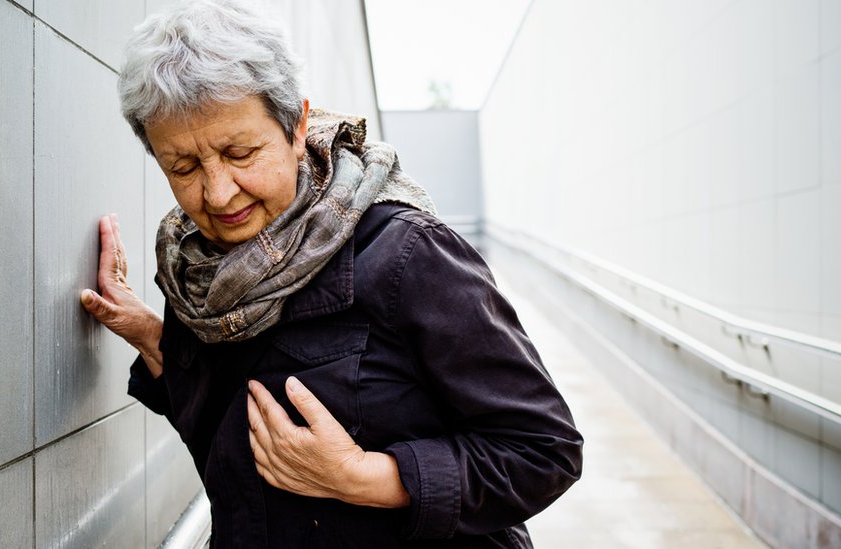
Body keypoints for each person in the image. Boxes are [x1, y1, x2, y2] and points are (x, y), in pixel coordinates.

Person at [80, 1, 583, 547]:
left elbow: (544, 449)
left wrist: (369, 478)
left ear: (297, 126)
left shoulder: (408, 254)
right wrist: (153, 337)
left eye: (241, 153)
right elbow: (228, 439)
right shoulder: (197, 276)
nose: (218, 193)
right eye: (183, 167)